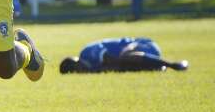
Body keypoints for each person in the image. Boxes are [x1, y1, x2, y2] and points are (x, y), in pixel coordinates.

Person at [60, 37, 189, 74]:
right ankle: (157, 67)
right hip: (141, 53)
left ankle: (171, 64)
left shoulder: (87, 53)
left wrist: (102, 70)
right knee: (123, 66)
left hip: (143, 45)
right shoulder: (91, 68)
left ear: (75, 61)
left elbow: (112, 61)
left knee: (124, 58)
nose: (81, 73)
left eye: (77, 70)